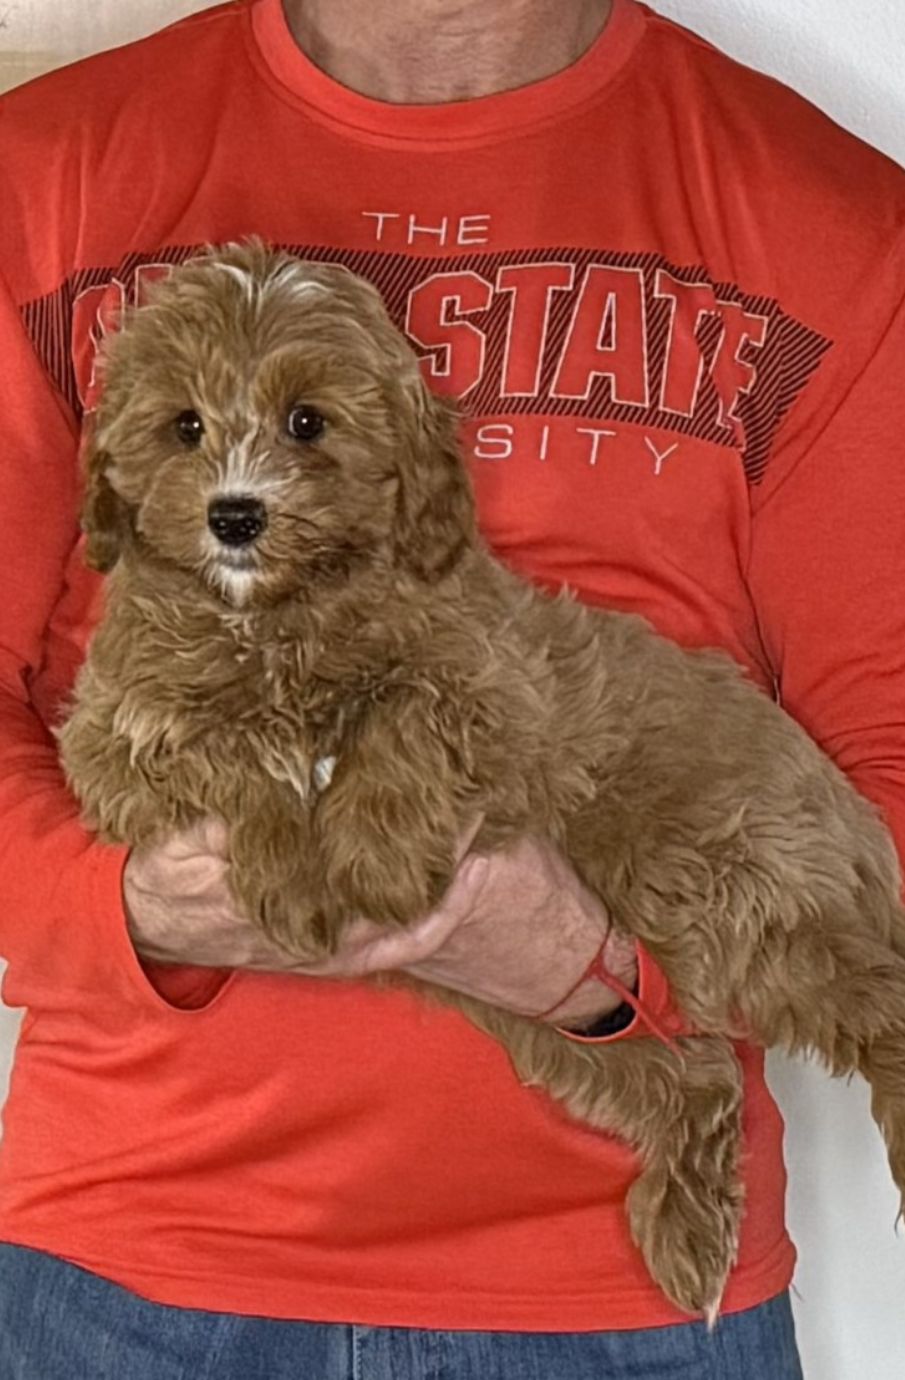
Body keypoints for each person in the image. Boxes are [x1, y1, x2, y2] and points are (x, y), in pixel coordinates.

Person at [0, 0, 902, 1373]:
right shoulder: (43, 172)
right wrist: (126, 909)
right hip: (123, 1263)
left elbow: (881, 780)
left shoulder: (825, 219)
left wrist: (602, 977)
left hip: (610, 1308)